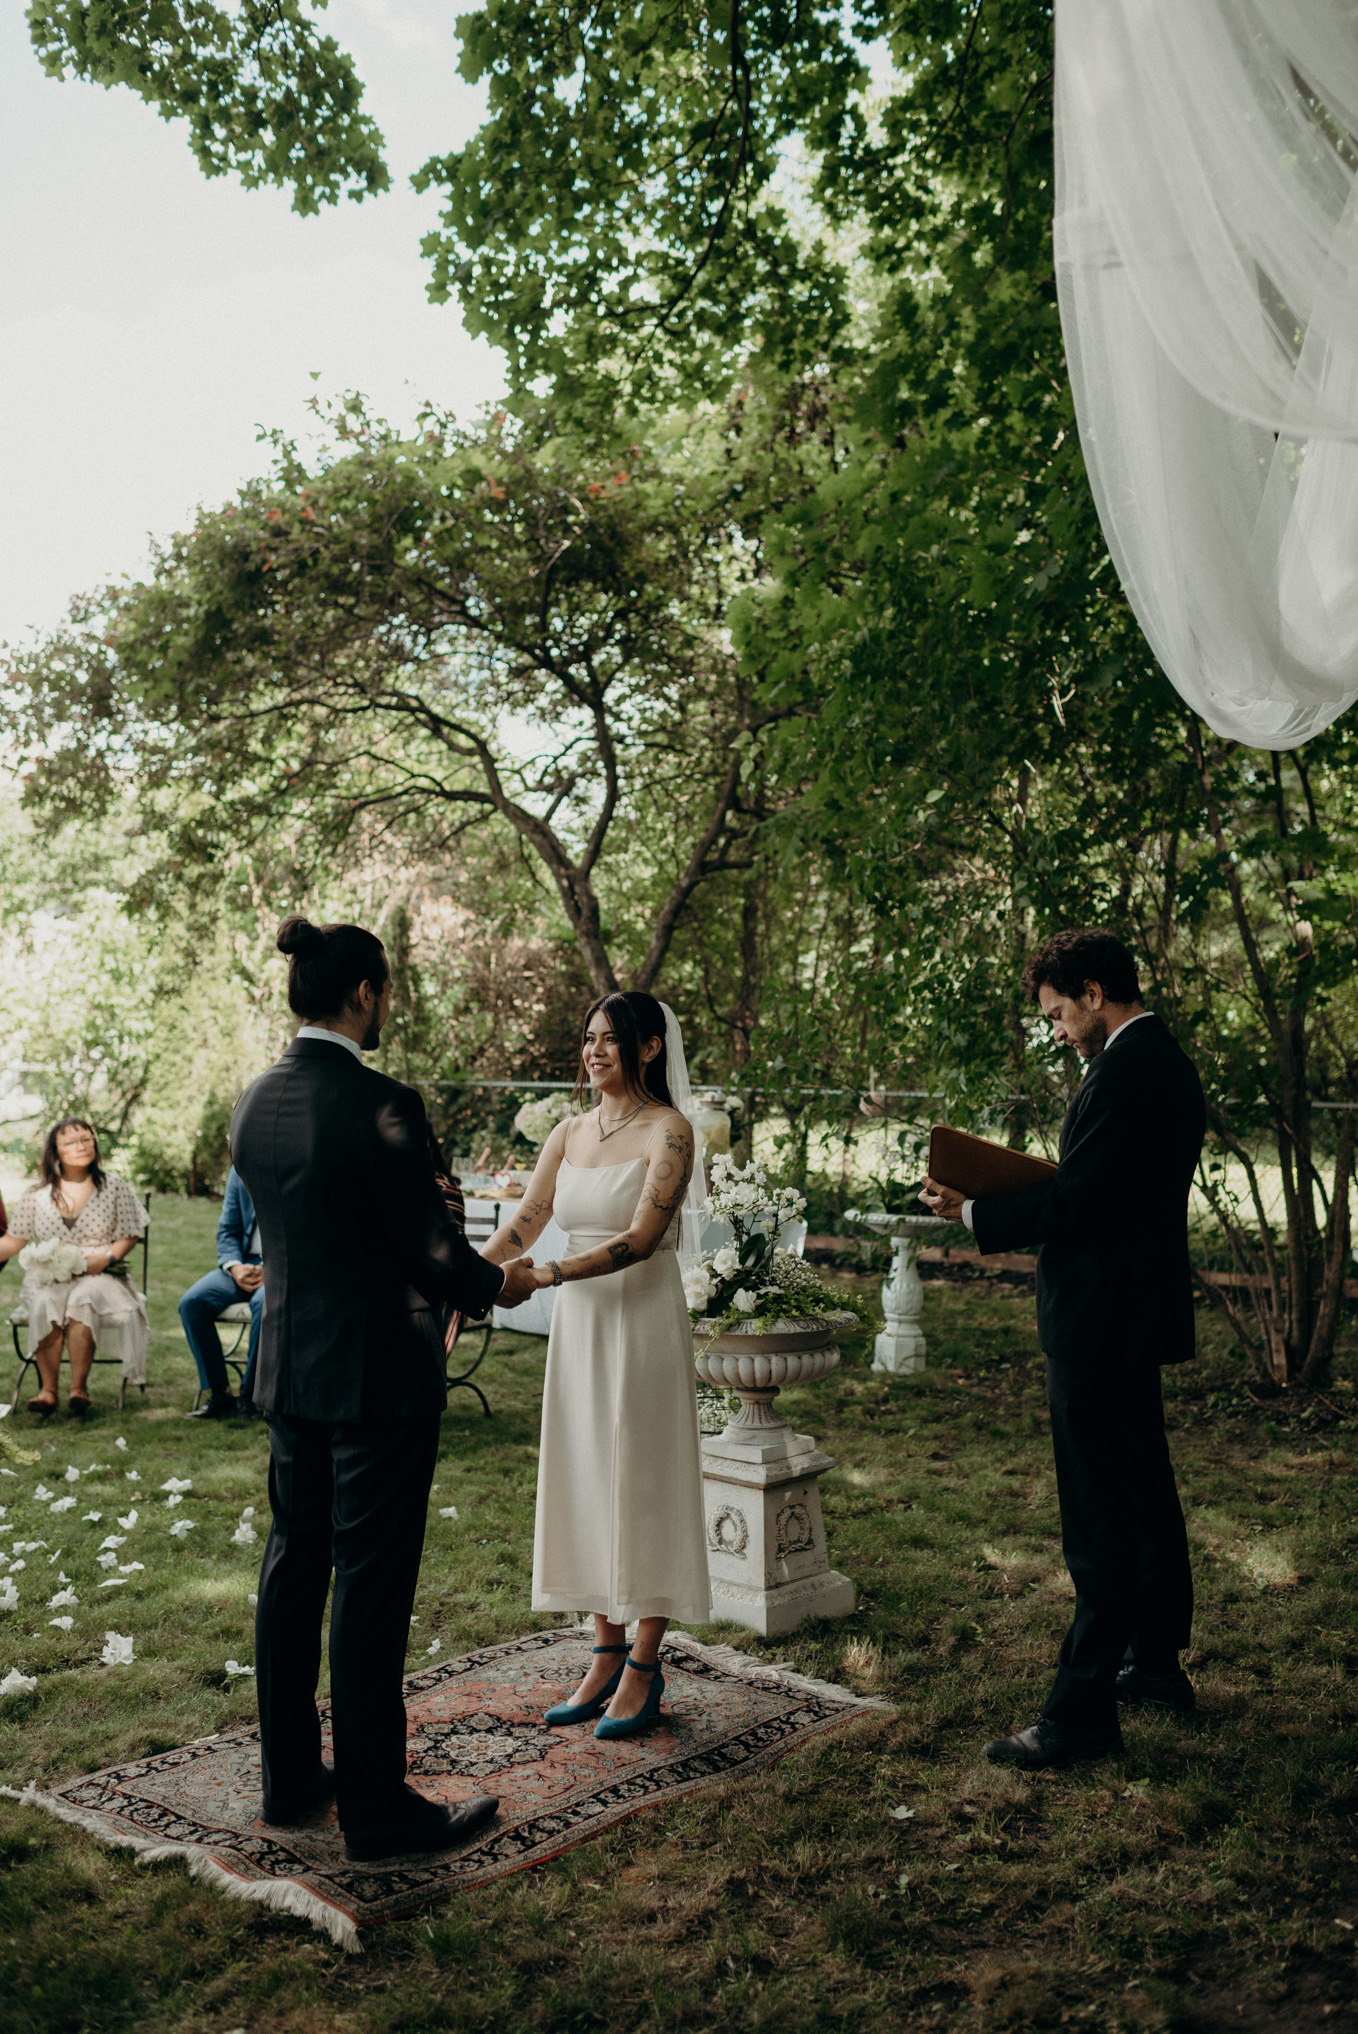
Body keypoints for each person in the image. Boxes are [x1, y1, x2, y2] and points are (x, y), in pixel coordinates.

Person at [229, 915, 538, 1861]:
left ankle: (290, 1780)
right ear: (365, 994)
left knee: (292, 1568)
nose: (388, 1005)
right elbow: (435, 1251)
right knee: (369, 1586)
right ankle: (378, 1810)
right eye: (388, 991)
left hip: (288, 1368)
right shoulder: (383, 1101)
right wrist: (497, 1284)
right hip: (378, 1382)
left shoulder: (255, 1100)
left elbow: (326, 1226)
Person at [921, 928, 1205, 1770]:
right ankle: (1153, 1664)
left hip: (1101, 1319)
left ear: (1091, 991)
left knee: (1100, 1514)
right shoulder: (1153, 1061)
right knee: (1145, 1494)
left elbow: (1081, 1201)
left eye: (1055, 1013)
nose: (1054, 1030)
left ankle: (1080, 1713)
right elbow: (1106, 1189)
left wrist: (974, 1212)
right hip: (1129, 1314)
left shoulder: (1129, 1068)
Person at [482, 990, 710, 1739]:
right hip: (581, 1329)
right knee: (582, 1475)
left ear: (649, 1048)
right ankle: (603, 1650)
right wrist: (468, 1276)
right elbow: (528, 1219)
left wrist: (545, 1277)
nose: (594, 1051)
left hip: (639, 1322)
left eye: (611, 1039)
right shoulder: (569, 1131)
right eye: (587, 1039)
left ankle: (646, 1661)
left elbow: (643, 1238)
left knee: (641, 1479)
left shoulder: (670, 1131)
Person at [0, 1119, 148, 1417]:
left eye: (86, 1139)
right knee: (45, 1300)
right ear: (54, 1151)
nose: (81, 1146)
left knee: (84, 1298)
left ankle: (78, 1388)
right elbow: (13, 1241)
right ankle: (48, 1391)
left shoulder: (113, 1185)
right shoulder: (36, 1194)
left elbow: (130, 1234)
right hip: (50, 1277)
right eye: (70, 1142)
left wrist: (105, 1258)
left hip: (102, 1273)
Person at [177, 1165, 265, 1421]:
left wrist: (271, 1268)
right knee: (193, 1303)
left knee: (266, 1304)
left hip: (280, 1266)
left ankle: (250, 1395)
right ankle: (219, 1391)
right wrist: (234, 1266)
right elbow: (228, 1229)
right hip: (240, 1264)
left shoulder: (293, 1166)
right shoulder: (239, 1172)